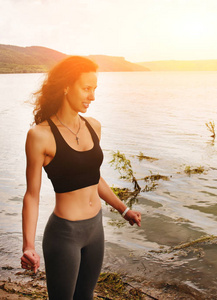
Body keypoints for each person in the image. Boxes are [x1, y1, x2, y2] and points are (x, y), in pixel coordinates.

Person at [20, 56, 142, 300]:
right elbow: (32, 196)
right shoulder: (40, 136)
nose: (92, 97)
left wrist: (123, 209)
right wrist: (28, 246)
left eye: (94, 89)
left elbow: (93, 178)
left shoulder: (93, 127)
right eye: (86, 89)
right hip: (64, 235)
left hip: (95, 230)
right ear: (66, 86)